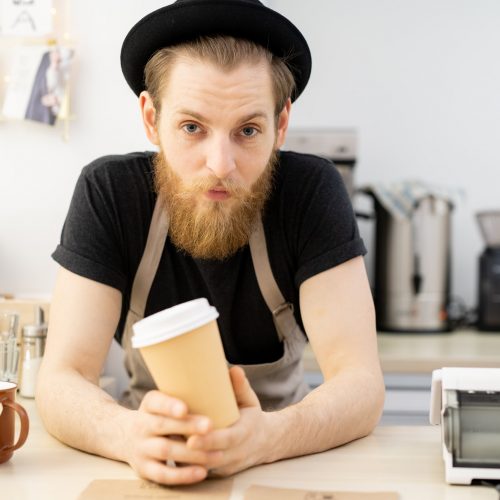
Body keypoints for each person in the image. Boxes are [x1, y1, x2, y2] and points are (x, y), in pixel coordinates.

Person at [36, 0, 385, 486]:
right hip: (149, 469)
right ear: (150, 117)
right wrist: (128, 434)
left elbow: (362, 384)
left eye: (247, 130)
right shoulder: (110, 193)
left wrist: (268, 438)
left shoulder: (311, 192)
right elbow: (61, 378)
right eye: (192, 128)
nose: (220, 163)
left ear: (281, 124)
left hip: (286, 465)